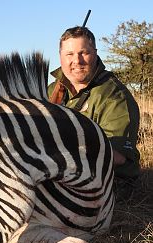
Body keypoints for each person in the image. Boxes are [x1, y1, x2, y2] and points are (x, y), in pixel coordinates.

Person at [48, 26, 140, 200]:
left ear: (95, 53)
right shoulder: (52, 90)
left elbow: (118, 157)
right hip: (59, 171)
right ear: (60, 56)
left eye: (84, 52)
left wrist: (61, 153)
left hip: (108, 181)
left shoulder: (114, 97)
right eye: (69, 54)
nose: (77, 60)